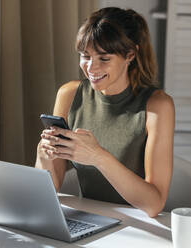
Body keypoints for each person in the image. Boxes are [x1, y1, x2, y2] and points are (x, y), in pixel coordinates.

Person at [35, 7, 174, 217]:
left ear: (130, 55)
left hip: (138, 224)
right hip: (89, 219)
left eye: (104, 59)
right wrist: (43, 155)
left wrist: (98, 157)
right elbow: (50, 188)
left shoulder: (157, 106)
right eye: (85, 56)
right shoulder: (69, 94)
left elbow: (154, 204)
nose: (91, 68)